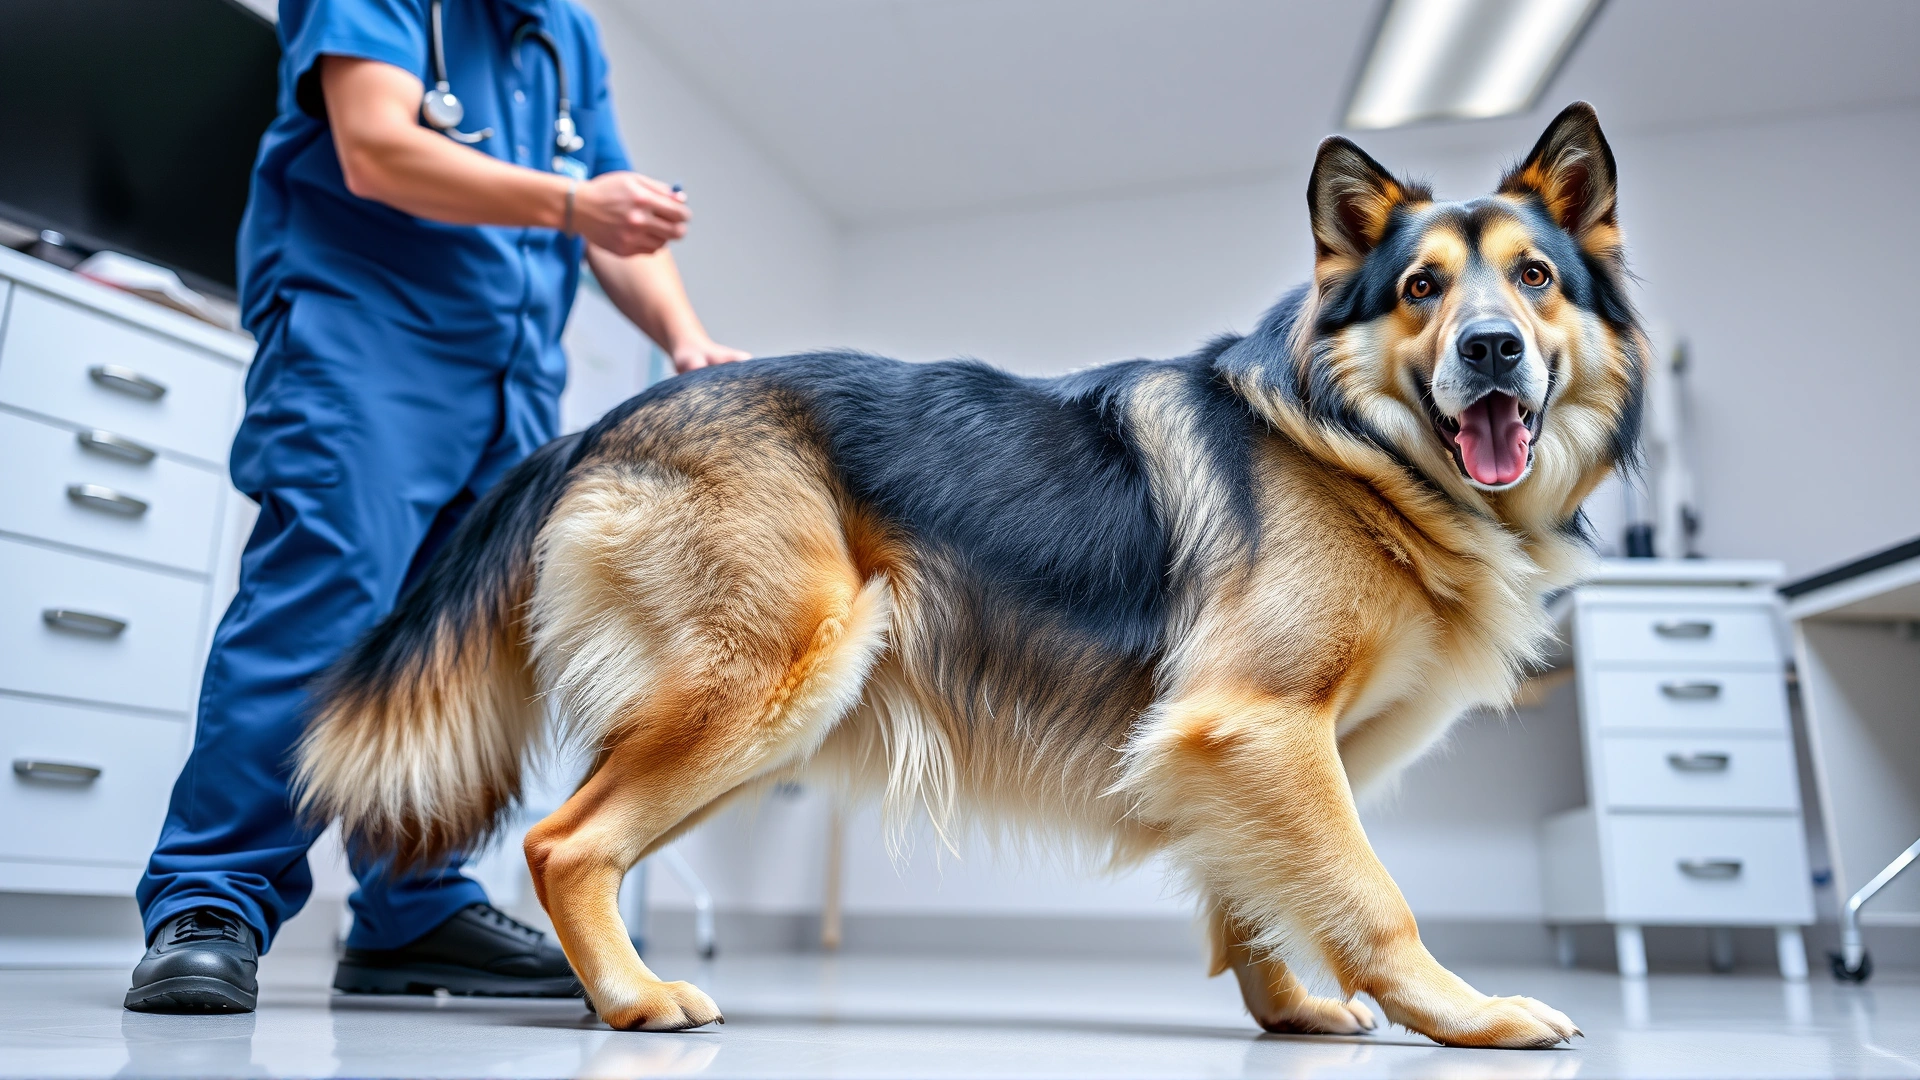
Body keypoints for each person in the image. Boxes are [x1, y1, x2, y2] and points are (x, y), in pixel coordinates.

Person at [125, 0, 745, 1014]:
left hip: (508, 379)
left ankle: (415, 910)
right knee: (324, 604)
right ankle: (210, 900)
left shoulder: (562, 32)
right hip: (363, 333)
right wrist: (573, 207)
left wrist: (687, 342)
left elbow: (612, 212)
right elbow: (374, 147)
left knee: (465, 650)